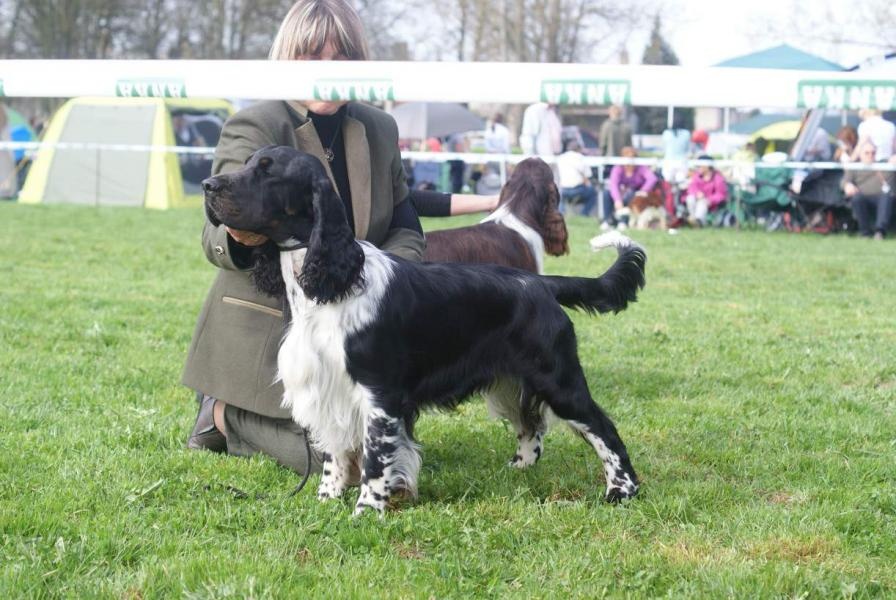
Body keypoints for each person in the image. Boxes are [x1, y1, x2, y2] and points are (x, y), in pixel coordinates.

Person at [182, 0, 426, 474]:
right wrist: (241, 233)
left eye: (341, 59)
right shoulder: (256, 124)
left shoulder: (380, 127)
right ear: (286, 60)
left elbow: (407, 228)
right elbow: (215, 233)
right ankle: (223, 412)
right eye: (311, 57)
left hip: (357, 326)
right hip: (277, 324)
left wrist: (381, 287)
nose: (327, 72)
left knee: (386, 445)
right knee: (336, 464)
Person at [843, 141, 894, 240]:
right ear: (860, 154)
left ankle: (880, 232)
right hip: (862, 196)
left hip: (881, 197)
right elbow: (845, 181)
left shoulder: (884, 165)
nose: (870, 155)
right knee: (857, 199)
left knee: (886, 197)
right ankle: (865, 232)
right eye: (867, 153)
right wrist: (847, 185)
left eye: (873, 153)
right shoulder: (855, 167)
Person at [601, 146, 657, 230]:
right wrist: (617, 199)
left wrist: (643, 191)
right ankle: (607, 220)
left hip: (635, 194)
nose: (629, 162)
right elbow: (613, 184)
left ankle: (623, 221)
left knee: (630, 194)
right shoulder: (617, 168)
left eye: (631, 158)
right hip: (620, 193)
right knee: (606, 193)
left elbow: (652, 179)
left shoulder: (641, 168)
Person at [683, 155, 728, 226]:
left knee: (702, 203)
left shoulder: (718, 178)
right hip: (697, 199)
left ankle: (699, 222)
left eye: (700, 166)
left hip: (711, 203)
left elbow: (721, 194)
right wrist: (697, 193)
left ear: (707, 167)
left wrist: (709, 199)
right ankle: (692, 219)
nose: (698, 168)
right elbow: (692, 188)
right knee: (690, 198)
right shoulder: (697, 176)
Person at [556, 140, 597, 216]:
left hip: (563, 190)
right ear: (579, 149)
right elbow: (587, 176)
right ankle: (584, 214)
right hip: (578, 190)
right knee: (593, 193)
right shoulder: (581, 158)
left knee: (559, 195)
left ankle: (562, 213)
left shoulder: (560, 158)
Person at [660, 113, 691, 186]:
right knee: (680, 184)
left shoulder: (666, 133)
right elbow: (687, 148)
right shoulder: (686, 133)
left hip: (669, 161)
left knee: (668, 184)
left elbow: (664, 147)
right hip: (682, 161)